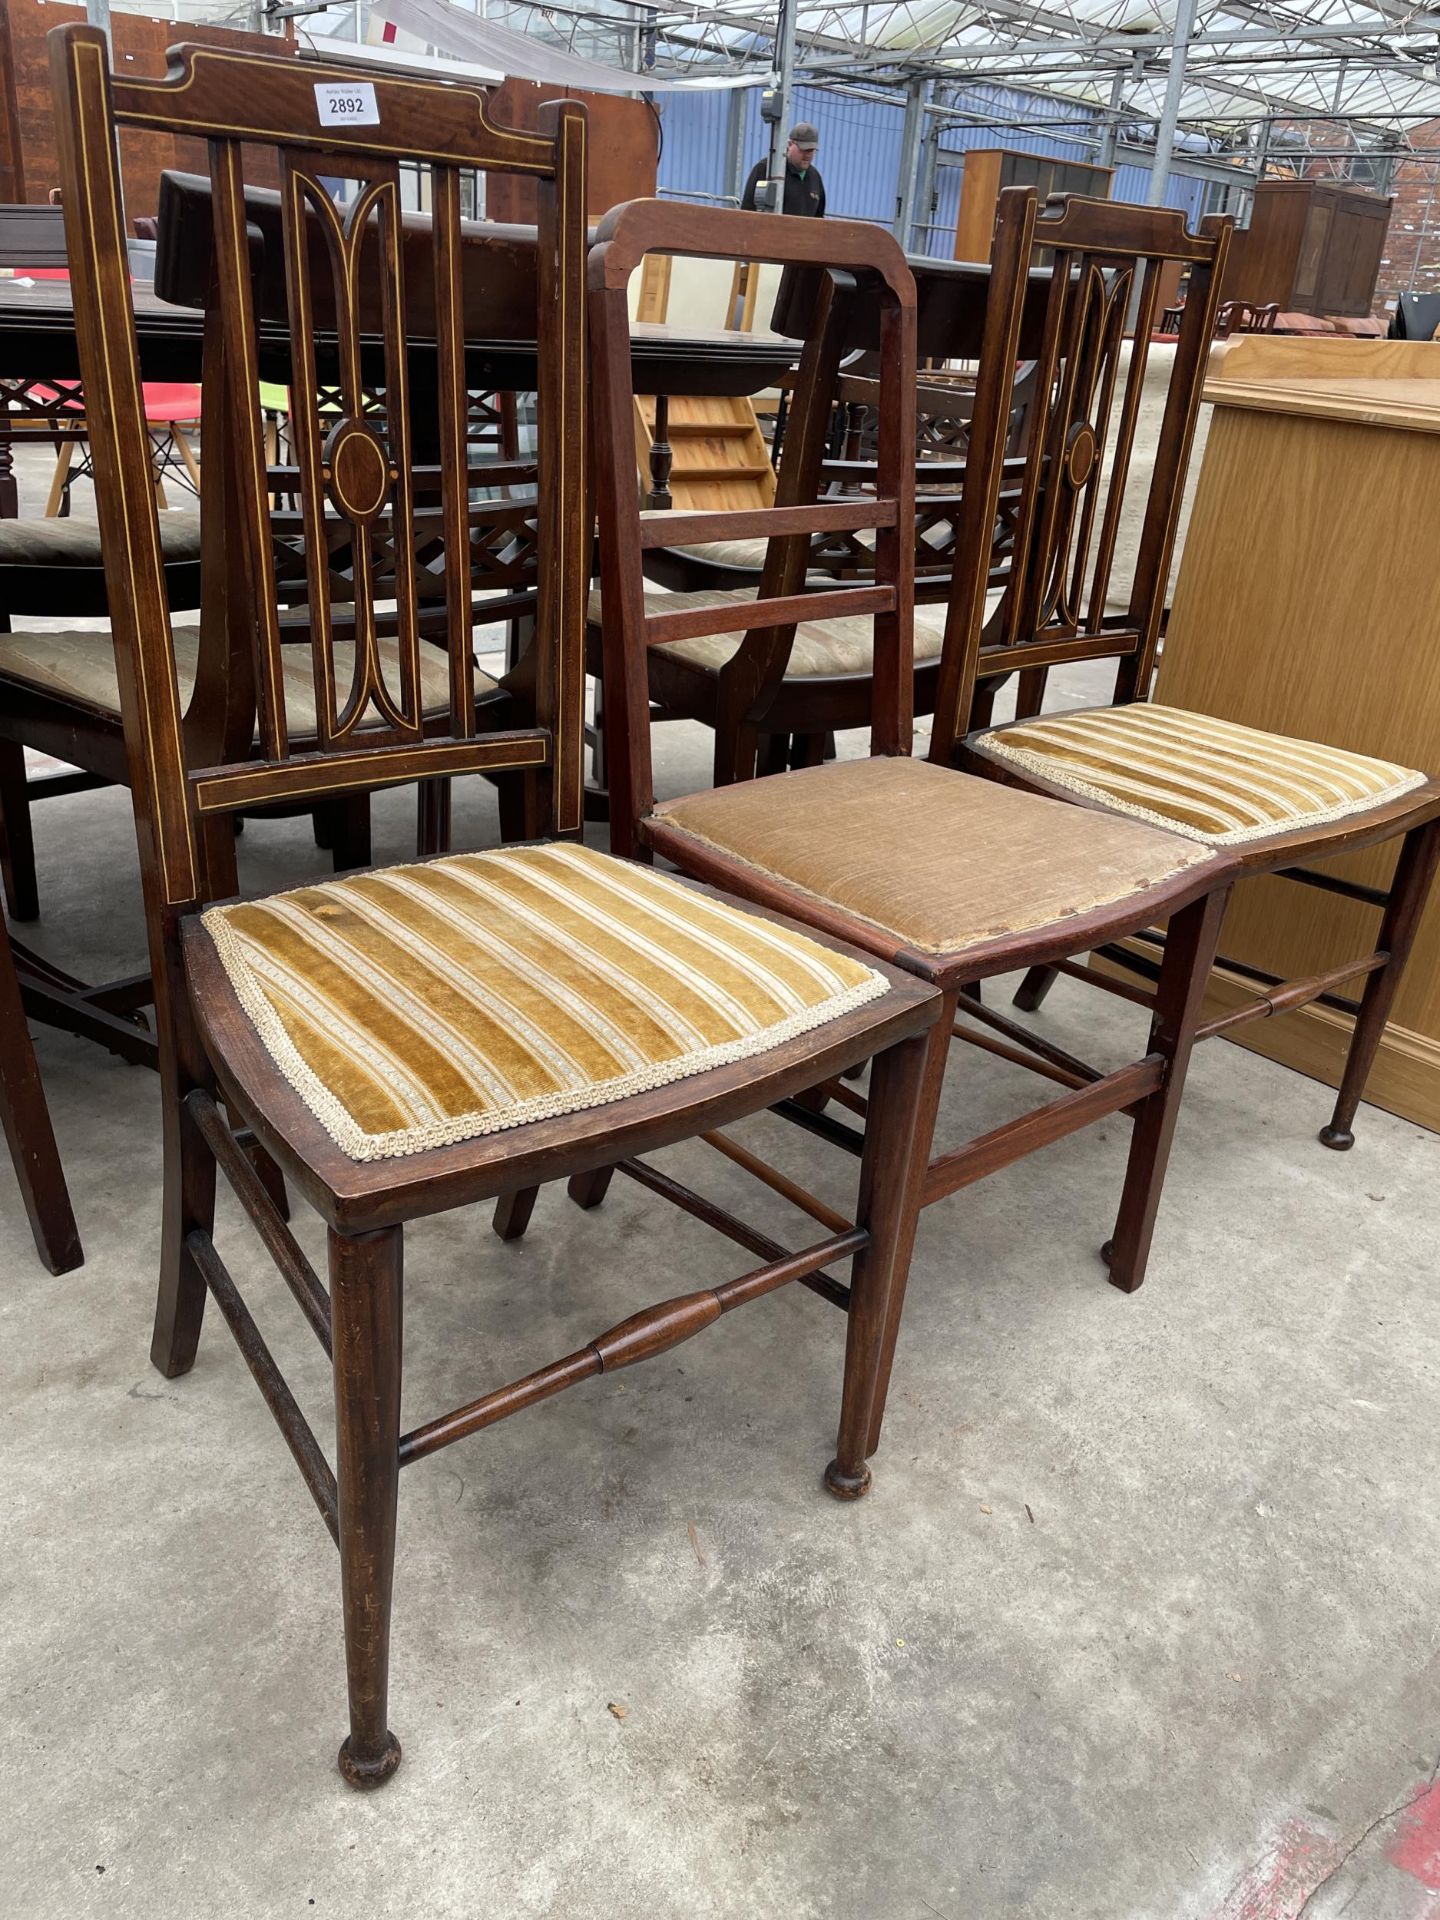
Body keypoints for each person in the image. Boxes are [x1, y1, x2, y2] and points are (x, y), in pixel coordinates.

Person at [741, 123, 825, 218]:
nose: (808, 155)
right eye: (804, 149)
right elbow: (746, 212)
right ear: (790, 144)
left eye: (811, 150)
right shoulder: (766, 169)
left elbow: (819, 218)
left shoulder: (815, 177)